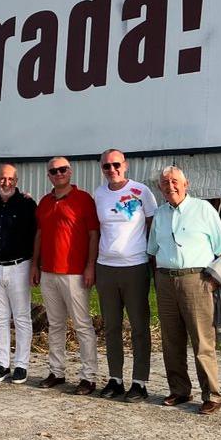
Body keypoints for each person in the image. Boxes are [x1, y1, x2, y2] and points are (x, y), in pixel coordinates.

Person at [147, 166, 221, 415]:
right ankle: (179, 390)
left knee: (202, 340)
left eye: (175, 181)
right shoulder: (160, 214)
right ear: (160, 188)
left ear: (186, 184)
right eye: (165, 182)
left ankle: (211, 395)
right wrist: (158, 278)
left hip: (197, 280)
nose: (170, 186)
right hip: (166, 280)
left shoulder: (203, 209)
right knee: (171, 340)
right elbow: (152, 251)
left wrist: (213, 280)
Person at [94, 149, 159, 402]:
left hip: (135, 266)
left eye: (116, 164)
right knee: (111, 327)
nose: (112, 170)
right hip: (106, 267)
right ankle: (115, 379)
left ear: (125, 165)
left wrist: (153, 260)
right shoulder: (99, 194)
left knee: (139, 326)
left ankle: (140, 382)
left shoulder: (141, 191)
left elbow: (153, 226)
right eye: (107, 166)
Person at [31, 156, 99, 395]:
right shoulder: (45, 201)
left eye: (62, 169)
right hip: (48, 272)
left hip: (74, 273)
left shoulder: (84, 199)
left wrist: (90, 266)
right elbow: (39, 234)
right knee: (55, 324)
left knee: (82, 325)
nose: (58, 173)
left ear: (70, 172)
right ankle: (56, 371)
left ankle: (88, 376)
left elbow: (93, 234)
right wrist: (34, 264)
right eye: (53, 171)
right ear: (48, 175)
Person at [0, 163, 36, 384]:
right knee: (0, 318)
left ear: (16, 181)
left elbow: (36, 234)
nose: (6, 182)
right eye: (2, 178)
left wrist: (36, 265)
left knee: (21, 317)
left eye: (10, 179)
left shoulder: (27, 204)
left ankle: (21, 365)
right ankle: (2, 364)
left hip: (19, 266)